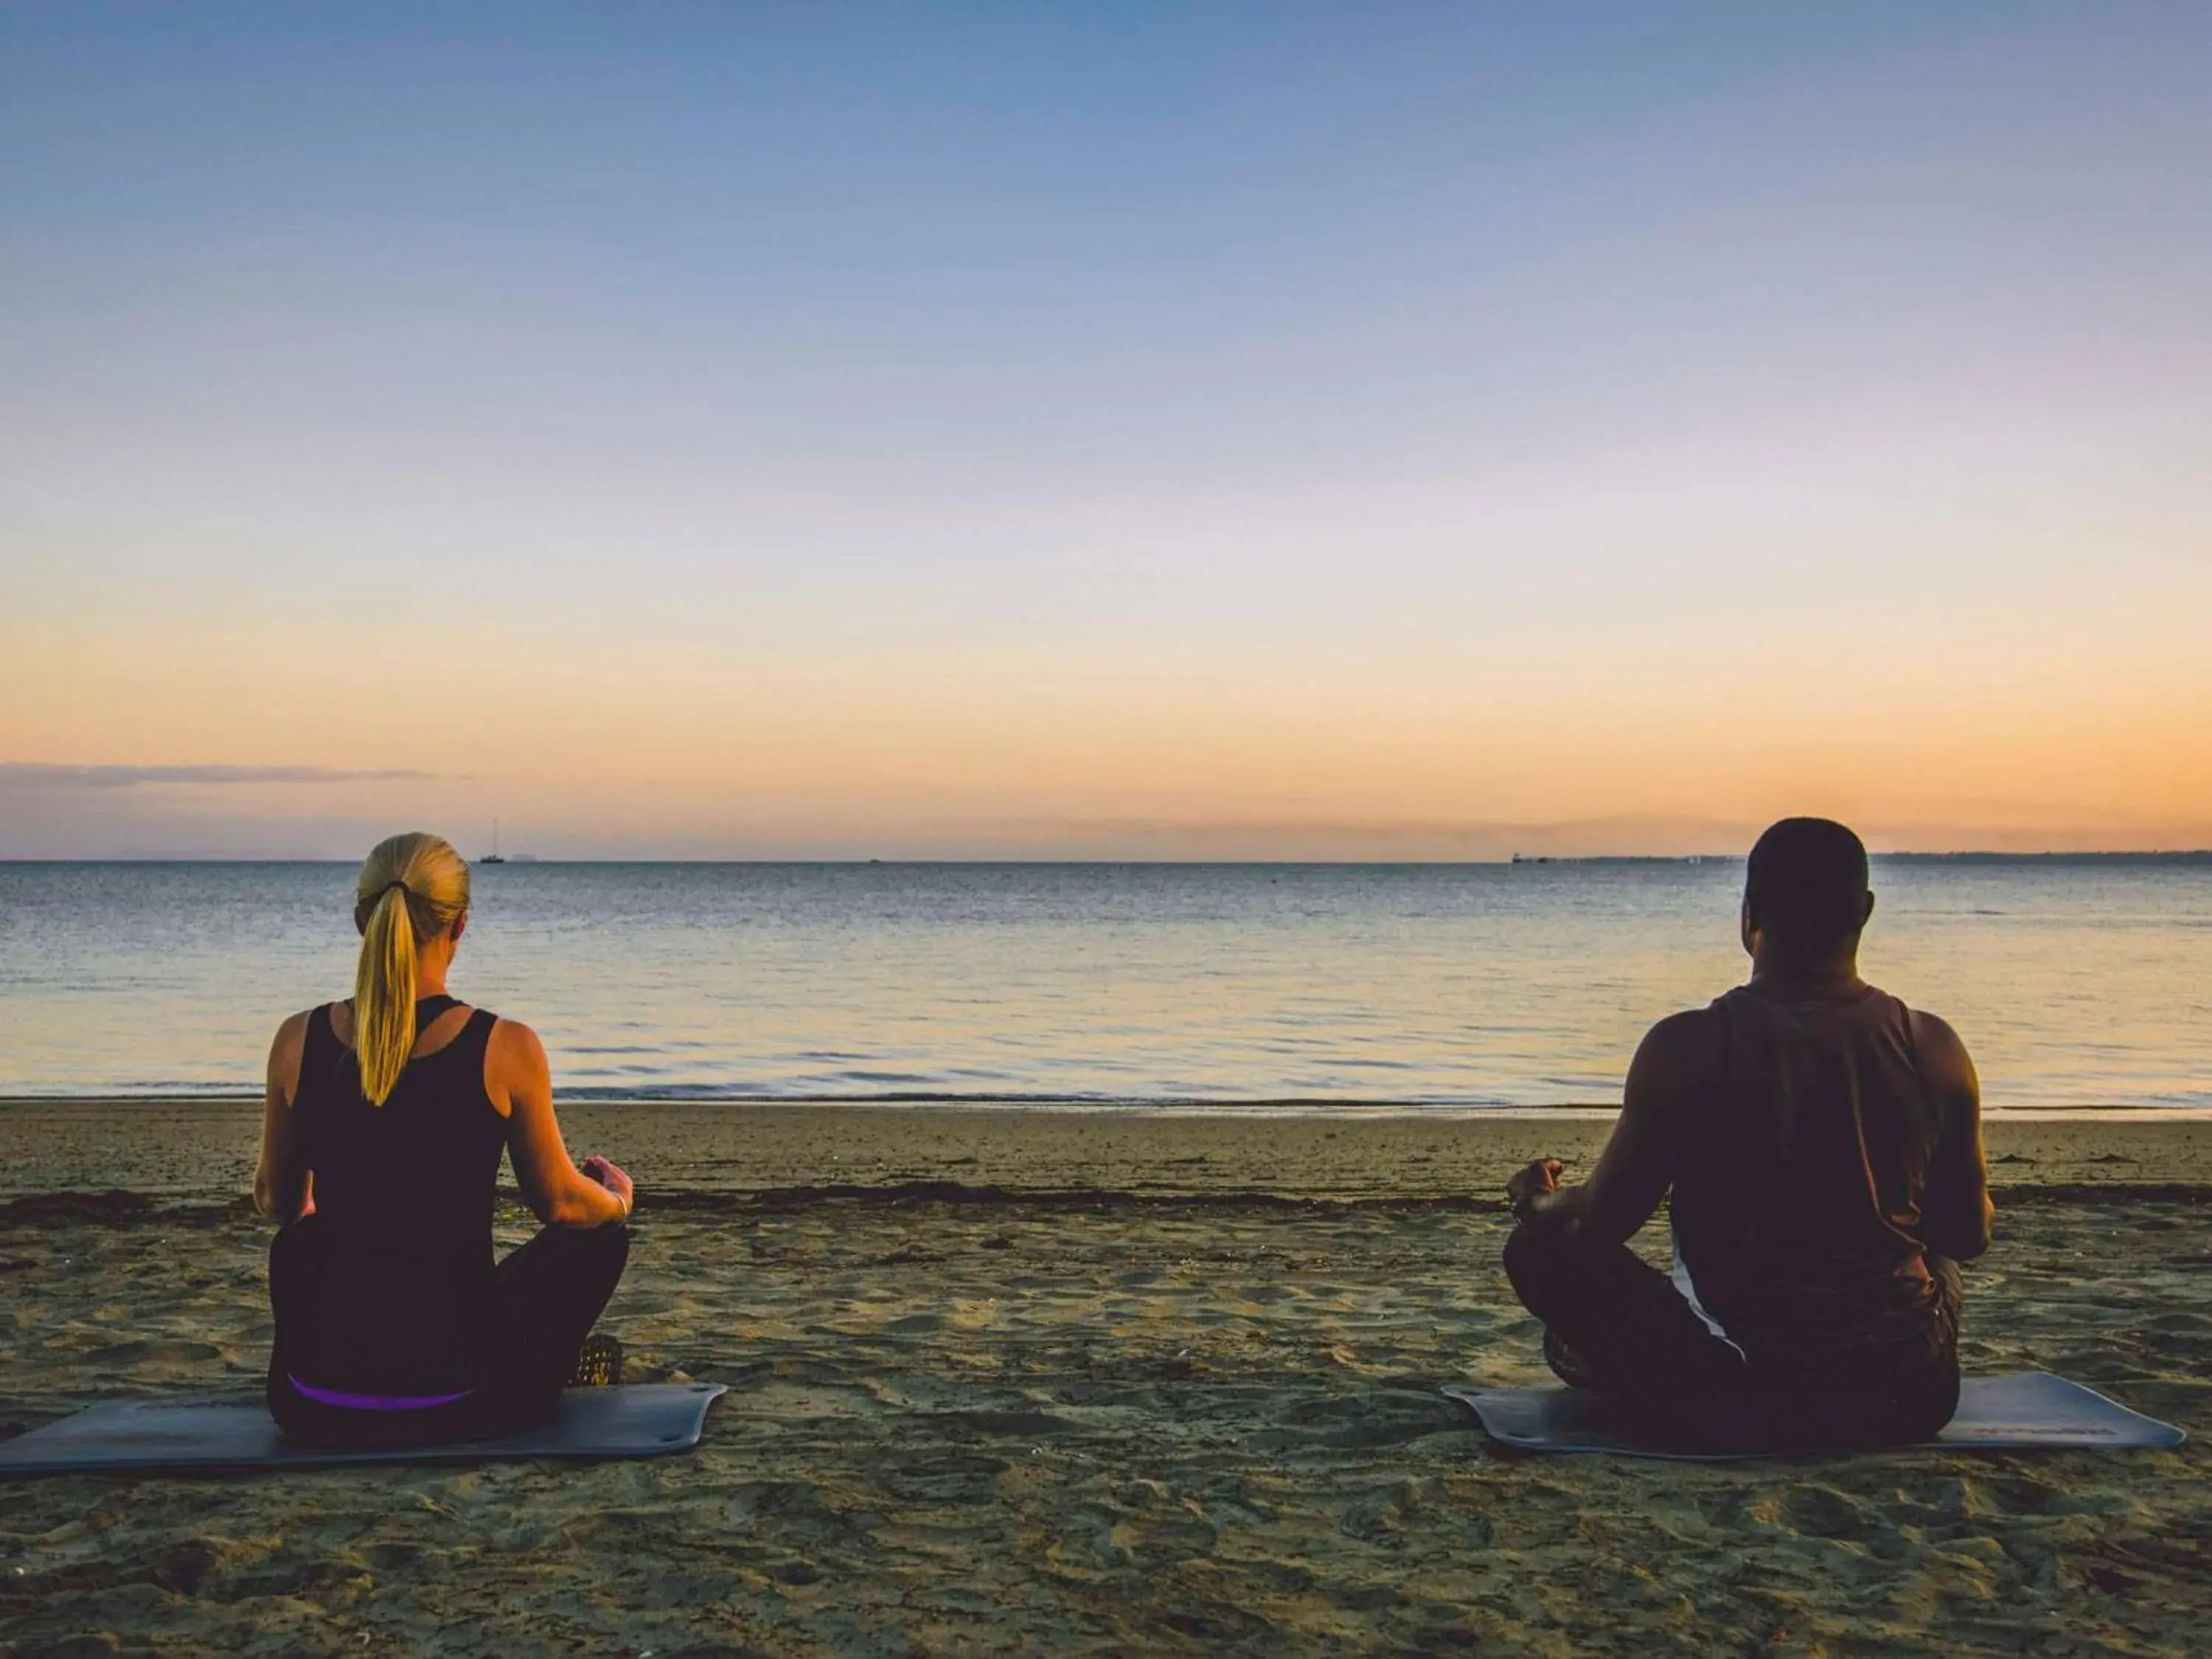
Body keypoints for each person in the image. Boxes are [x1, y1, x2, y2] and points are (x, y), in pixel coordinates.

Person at [1501, 817, 1993, 1454]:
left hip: (1747, 1397)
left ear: (1748, 916)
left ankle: (1625, 1372)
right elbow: (1968, 1236)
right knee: (1938, 1251)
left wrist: (1536, 1200)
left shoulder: (1688, 1047)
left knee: (1536, 1251)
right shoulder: (1934, 1047)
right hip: (1914, 1395)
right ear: (1866, 912)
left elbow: (1597, 1224)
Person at [253, 831, 636, 1448]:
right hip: (465, 1399)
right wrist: (616, 1200)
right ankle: (549, 1363)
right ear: (459, 926)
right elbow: (560, 1204)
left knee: (300, 1244)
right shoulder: (505, 1046)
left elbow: (279, 1201)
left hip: (310, 1401)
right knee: (599, 1241)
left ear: (363, 921)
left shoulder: (297, 1040)